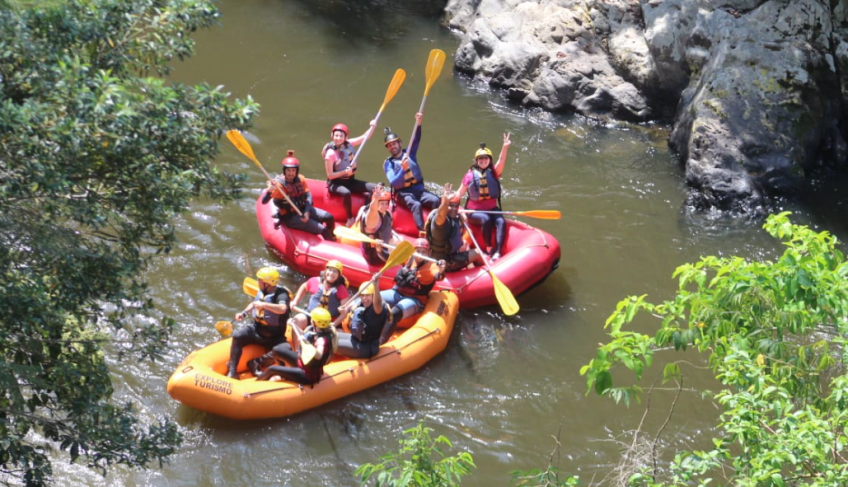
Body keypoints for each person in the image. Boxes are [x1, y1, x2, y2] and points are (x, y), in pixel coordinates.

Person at [225, 267, 292, 379]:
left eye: (259, 280)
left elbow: (282, 308)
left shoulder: (281, 294)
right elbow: (254, 303)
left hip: (275, 336)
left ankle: (256, 362)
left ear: (267, 283)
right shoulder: (262, 291)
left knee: (285, 349)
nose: (257, 282)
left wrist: (264, 305)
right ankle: (232, 371)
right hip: (257, 330)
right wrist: (244, 313)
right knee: (237, 336)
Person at [378, 238, 446, 345]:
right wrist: (379, 250)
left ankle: (380, 343)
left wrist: (441, 270)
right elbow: (389, 259)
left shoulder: (431, 266)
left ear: (429, 253)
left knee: (395, 312)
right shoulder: (409, 258)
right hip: (397, 293)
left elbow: (439, 276)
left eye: (423, 252)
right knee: (374, 298)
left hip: (415, 300)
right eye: (418, 251)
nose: (420, 254)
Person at [455, 133, 511, 260]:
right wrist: (449, 200)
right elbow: (460, 193)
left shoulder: (494, 173)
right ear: (476, 161)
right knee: (485, 219)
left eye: (486, 158)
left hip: (491, 209)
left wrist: (505, 147)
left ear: (490, 160)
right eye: (480, 158)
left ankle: (498, 251)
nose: (483, 160)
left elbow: (501, 160)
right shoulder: (470, 175)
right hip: (473, 212)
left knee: (501, 221)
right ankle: (488, 248)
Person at [382, 112, 440, 234]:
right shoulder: (388, 163)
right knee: (416, 204)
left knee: (436, 200)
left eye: (394, 143)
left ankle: (436, 227)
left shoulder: (409, 153)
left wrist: (418, 124)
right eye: (390, 145)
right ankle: (422, 231)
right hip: (403, 193)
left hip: (419, 190)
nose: (392, 147)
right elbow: (394, 182)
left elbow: (416, 139)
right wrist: (403, 170)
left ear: (400, 143)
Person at [262, 150, 336, 241]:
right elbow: (264, 201)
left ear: (296, 171)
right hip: (290, 217)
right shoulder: (279, 186)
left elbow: (308, 196)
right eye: (288, 170)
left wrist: (306, 211)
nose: (291, 173)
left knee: (329, 217)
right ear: (284, 171)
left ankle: (332, 236)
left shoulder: (301, 179)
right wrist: (270, 190)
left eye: (293, 170)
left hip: (302, 209)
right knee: (323, 230)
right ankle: (330, 242)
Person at [256, 308, 338, 385]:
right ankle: (282, 374)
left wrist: (306, 343)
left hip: (307, 375)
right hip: (302, 362)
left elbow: (319, 355)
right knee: (276, 350)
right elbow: (304, 334)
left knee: (271, 369)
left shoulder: (321, 340)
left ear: (314, 322)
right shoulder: (313, 329)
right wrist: (293, 324)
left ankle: (256, 385)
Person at [322, 121, 378, 226]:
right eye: (336, 135)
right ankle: (350, 218)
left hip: (350, 181)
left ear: (346, 137)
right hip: (335, 183)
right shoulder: (330, 153)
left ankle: (365, 213)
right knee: (346, 192)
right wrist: (345, 172)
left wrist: (373, 126)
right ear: (332, 136)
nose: (338, 138)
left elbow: (365, 137)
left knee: (374, 188)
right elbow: (330, 175)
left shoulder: (349, 144)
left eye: (341, 136)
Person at [425, 183, 485, 272]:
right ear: (445, 205)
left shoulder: (453, 217)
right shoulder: (440, 221)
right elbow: (441, 215)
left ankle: (471, 269)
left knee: (465, 245)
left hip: (450, 254)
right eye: (450, 205)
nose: (454, 209)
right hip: (443, 262)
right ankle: (483, 275)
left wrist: (460, 218)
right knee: (478, 253)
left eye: (456, 206)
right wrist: (446, 202)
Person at [336, 279, 391, 359]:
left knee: (331, 344)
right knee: (330, 337)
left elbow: (377, 303)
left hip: (367, 347)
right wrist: (343, 310)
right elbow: (346, 309)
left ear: (373, 295)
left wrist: (376, 286)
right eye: (362, 295)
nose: (364, 298)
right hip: (356, 339)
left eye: (367, 295)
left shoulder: (378, 309)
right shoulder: (361, 303)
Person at [289, 260, 350, 331]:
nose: (331, 273)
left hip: (329, 322)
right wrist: (295, 301)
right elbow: (304, 287)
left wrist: (334, 324)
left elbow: (344, 313)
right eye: (330, 270)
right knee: (296, 321)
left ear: (339, 275)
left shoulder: (341, 290)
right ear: (325, 271)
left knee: (339, 332)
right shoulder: (315, 281)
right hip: (311, 316)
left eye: (335, 271)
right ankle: (301, 337)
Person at [355, 185, 399, 265]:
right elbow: (372, 209)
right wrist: (376, 199)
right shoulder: (372, 218)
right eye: (382, 203)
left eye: (386, 203)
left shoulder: (387, 213)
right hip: (374, 254)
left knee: (398, 240)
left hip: (384, 245)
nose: (385, 206)